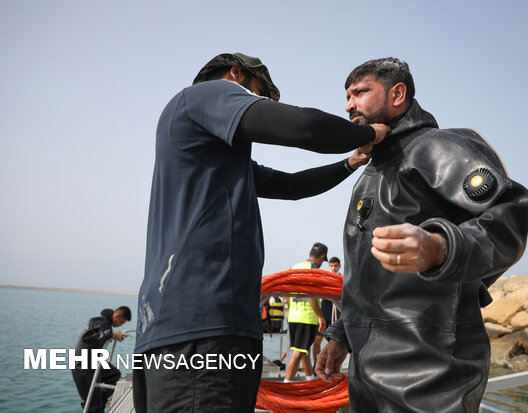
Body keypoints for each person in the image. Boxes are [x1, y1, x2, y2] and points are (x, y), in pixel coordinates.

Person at [133, 53, 390, 412]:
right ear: (236, 75)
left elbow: (294, 185)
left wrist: (351, 162)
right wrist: (368, 132)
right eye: (257, 96)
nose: (257, 107)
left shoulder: (216, 160)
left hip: (174, 328)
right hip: (204, 327)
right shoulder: (205, 95)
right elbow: (305, 127)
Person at [316, 58, 528, 413]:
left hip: (433, 374)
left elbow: (511, 214)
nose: (349, 105)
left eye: (360, 92)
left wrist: (440, 247)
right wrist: (343, 333)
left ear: (398, 94)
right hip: (365, 376)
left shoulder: (439, 147)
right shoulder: (369, 174)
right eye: (346, 96)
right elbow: (368, 277)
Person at [72, 306, 131, 413]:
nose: (120, 325)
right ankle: (97, 400)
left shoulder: (105, 324)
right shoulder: (100, 322)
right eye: (121, 322)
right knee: (92, 404)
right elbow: (88, 337)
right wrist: (111, 335)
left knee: (114, 374)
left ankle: (100, 398)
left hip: (94, 362)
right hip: (82, 364)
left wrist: (111, 335)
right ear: (116, 316)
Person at [284, 242, 328, 382]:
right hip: (307, 317)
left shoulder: (295, 267)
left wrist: (292, 309)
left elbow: (287, 295)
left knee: (304, 351)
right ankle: (287, 386)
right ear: (322, 257)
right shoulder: (313, 269)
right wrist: (321, 317)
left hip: (293, 316)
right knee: (298, 353)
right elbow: (312, 296)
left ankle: (310, 380)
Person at [311, 256, 341, 365]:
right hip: (325, 315)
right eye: (332, 266)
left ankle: (333, 364)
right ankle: (316, 364)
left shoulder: (341, 280)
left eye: (335, 266)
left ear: (339, 267)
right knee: (317, 341)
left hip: (337, 316)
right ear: (329, 266)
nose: (333, 268)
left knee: (336, 342)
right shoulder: (324, 279)